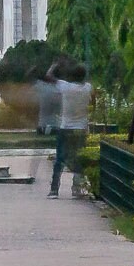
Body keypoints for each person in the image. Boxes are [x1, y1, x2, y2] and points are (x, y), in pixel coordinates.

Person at [48, 61, 91, 197]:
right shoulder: (88, 88)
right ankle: (76, 188)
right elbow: (93, 103)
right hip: (81, 128)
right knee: (79, 158)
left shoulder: (65, 87)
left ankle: (54, 190)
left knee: (60, 159)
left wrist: (55, 64)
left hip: (65, 127)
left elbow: (49, 76)